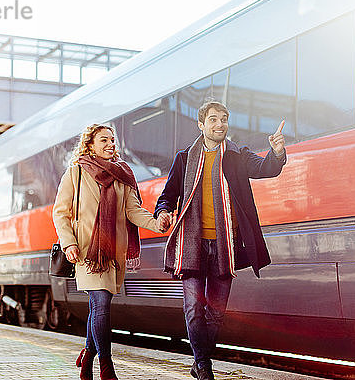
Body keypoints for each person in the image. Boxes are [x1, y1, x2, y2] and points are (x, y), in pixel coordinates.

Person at [154, 100, 286, 380]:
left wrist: (277, 153)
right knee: (192, 308)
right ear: (201, 125)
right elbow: (167, 195)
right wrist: (163, 211)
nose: (220, 124)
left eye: (224, 119)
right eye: (213, 119)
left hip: (225, 245)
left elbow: (266, 169)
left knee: (215, 313)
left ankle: (200, 361)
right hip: (193, 245)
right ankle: (203, 364)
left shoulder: (237, 155)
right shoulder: (184, 158)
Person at [52, 124, 165, 380]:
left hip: (113, 252)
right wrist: (68, 242)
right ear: (89, 144)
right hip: (86, 253)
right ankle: (106, 366)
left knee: (97, 307)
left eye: (112, 140)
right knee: (101, 303)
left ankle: (88, 355)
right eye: (104, 140)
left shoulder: (122, 175)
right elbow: (61, 212)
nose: (110, 144)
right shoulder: (76, 173)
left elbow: (132, 211)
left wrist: (157, 223)